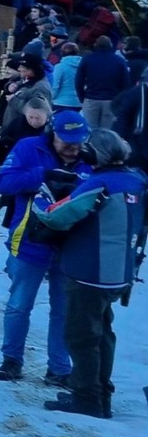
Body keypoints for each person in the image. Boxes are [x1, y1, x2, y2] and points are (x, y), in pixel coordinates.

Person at [32, 128, 147, 419]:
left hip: (89, 273)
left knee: (81, 337)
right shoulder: (137, 180)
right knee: (103, 333)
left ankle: (86, 399)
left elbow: (56, 216)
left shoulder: (99, 184)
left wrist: (41, 198)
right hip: (120, 273)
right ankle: (101, 395)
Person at [0, 112, 93, 386]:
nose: (73, 148)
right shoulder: (28, 148)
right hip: (30, 242)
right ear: (52, 134)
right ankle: (11, 360)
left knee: (64, 310)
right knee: (19, 304)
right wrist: (42, 176)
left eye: (78, 142)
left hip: (71, 247)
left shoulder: (90, 157)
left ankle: (59, 369)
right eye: (67, 141)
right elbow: (3, 183)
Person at [75, 36, 131, 133]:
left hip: (91, 98)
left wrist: (83, 97)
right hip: (111, 100)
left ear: (95, 45)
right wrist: (119, 99)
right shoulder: (119, 60)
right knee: (108, 132)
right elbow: (126, 83)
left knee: (90, 131)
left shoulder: (87, 59)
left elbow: (78, 81)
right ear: (110, 45)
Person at [51, 42, 84, 112]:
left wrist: (50, 99)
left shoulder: (59, 67)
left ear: (62, 53)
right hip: (78, 103)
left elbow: (55, 86)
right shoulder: (83, 66)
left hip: (61, 103)